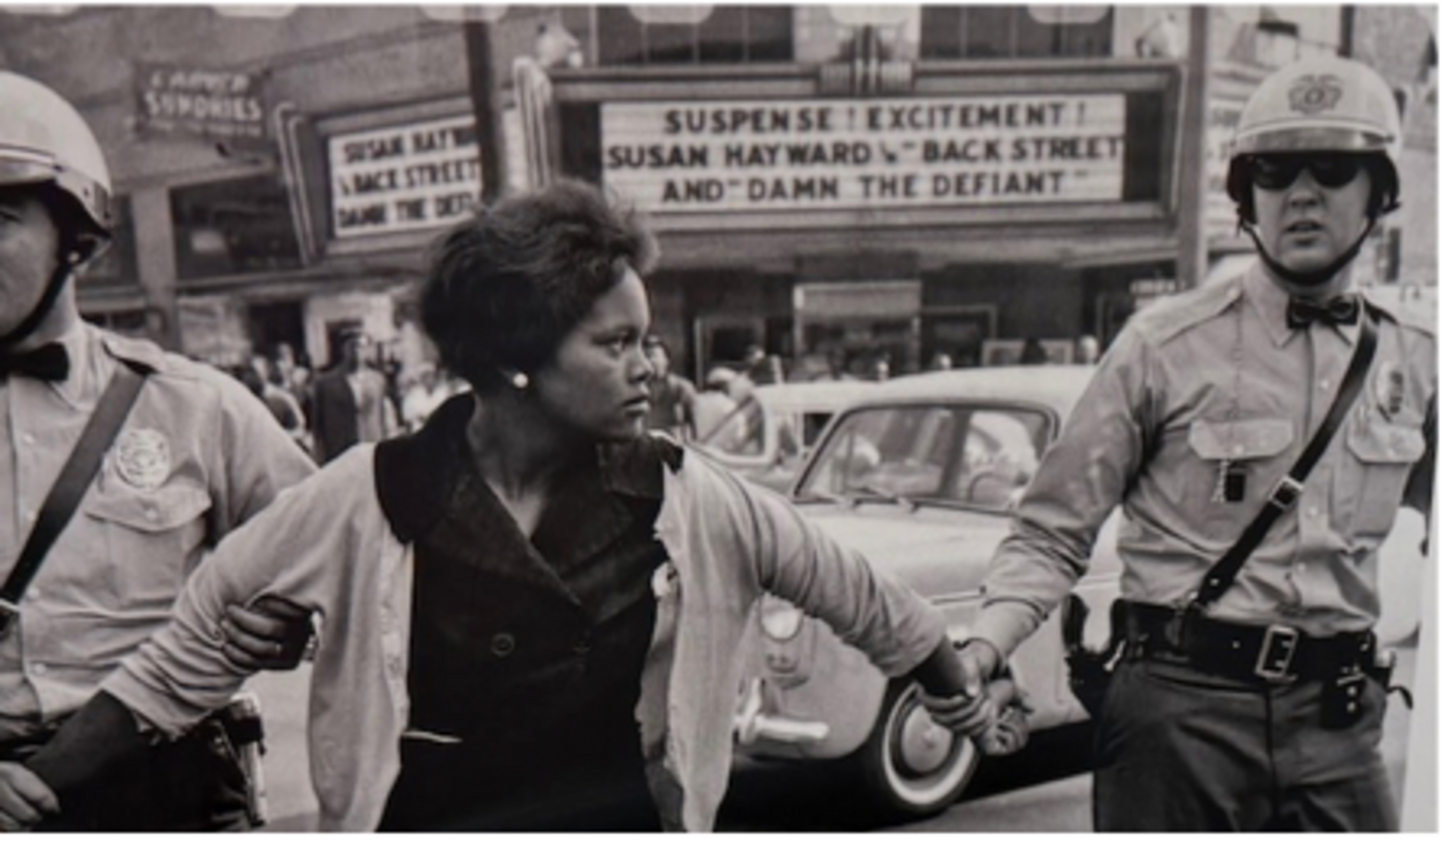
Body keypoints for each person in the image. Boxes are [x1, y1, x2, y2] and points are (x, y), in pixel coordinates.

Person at [0, 180, 1020, 832]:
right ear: (512, 358)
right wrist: (40, 779)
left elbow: (861, 595)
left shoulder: (684, 492)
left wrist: (952, 687)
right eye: (615, 345)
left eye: (646, 340)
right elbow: (194, 646)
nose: (650, 369)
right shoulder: (372, 494)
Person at [950, 56, 1435, 831]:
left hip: (1338, 720)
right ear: (1245, 199)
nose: (1301, 193)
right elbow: (1049, 530)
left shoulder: (1418, 359)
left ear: (1379, 191)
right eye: (1272, 172)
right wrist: (982, 646)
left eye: (1332, 168)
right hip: (1181, 712)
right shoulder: (1161, 346)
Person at [0, 71, 316, 831]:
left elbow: (342, 560)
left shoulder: (192, 405)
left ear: (75, 241)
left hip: (164, 781)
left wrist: (292, 627)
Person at [309, 327, 392, 463]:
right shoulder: (325, 383)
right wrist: (320, 456)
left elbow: (383, 417)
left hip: (371, 450)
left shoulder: (377, 380)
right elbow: (318, 425)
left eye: (361, 347)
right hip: (340, 453)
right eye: (352, 346)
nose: (357, 351)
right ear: (344, 349)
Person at [641, 334, 696, 440]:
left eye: (656, 356)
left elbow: (692, 421)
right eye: (648, 357)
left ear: (666, 360)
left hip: (673, 440)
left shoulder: (681, 387)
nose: (653, 362)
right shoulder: (638, 389)